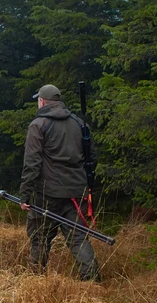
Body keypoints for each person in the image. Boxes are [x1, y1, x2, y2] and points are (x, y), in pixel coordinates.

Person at [19, 84, 100, 282]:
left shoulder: (38, 125)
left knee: (40, 238)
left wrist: (25, 195)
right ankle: (93, 283)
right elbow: (92, 158)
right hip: (76, 192)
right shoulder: (79, 123)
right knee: (78, 238)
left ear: (42, 101)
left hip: (48, 194)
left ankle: (35, 282)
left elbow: (32, 163)